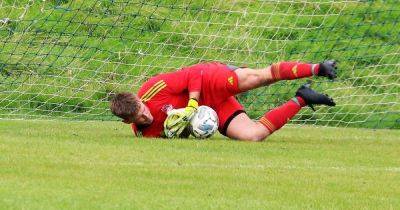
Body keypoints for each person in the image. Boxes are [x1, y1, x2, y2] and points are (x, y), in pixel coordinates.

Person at [110, 60, 337, 141]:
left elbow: (194, 74)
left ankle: (318, 68)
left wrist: (191, 105)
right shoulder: (145, 134)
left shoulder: (152, 88)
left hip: (209, 80)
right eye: (138, 117)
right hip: (214, 109)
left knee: (259, 77)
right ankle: (303, 98)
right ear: (127, 121)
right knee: (253, 136)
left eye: (142, 108)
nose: (145, 114)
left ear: (140, 99)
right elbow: (179, 135)